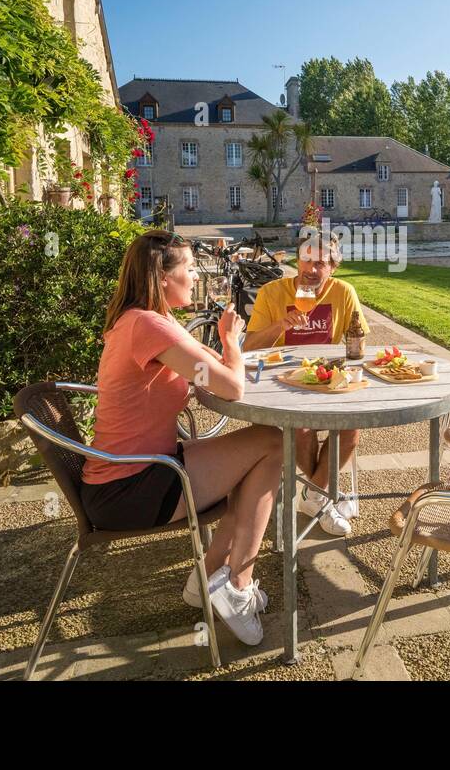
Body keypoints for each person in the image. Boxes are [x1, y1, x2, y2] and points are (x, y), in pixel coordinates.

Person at [86, 230, 282, 645]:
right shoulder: (148, 326)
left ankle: (207, 577)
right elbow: (231, 385)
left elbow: (214, 367)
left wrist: (227, 351)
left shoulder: (148, 320)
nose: (197, 276)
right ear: (162, 277)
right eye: (190, 269)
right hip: (129, 488)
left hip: (131, 473)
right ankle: (237, 585)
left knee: (255, 456)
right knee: (271, 443)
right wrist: (230, 339)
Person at [242, 232, 365, 536]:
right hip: (283, 380)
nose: (311, 268)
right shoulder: (273, 292)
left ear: (333, 267)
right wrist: (282, 324)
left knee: (352, 429)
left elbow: (358, 338)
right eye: (305, 259)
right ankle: (321, 499)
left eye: (320, 262)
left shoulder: (344, 292)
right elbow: (249, 347)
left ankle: (313, 495)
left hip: (327, 378)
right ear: (298, 261)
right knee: (301, 428)